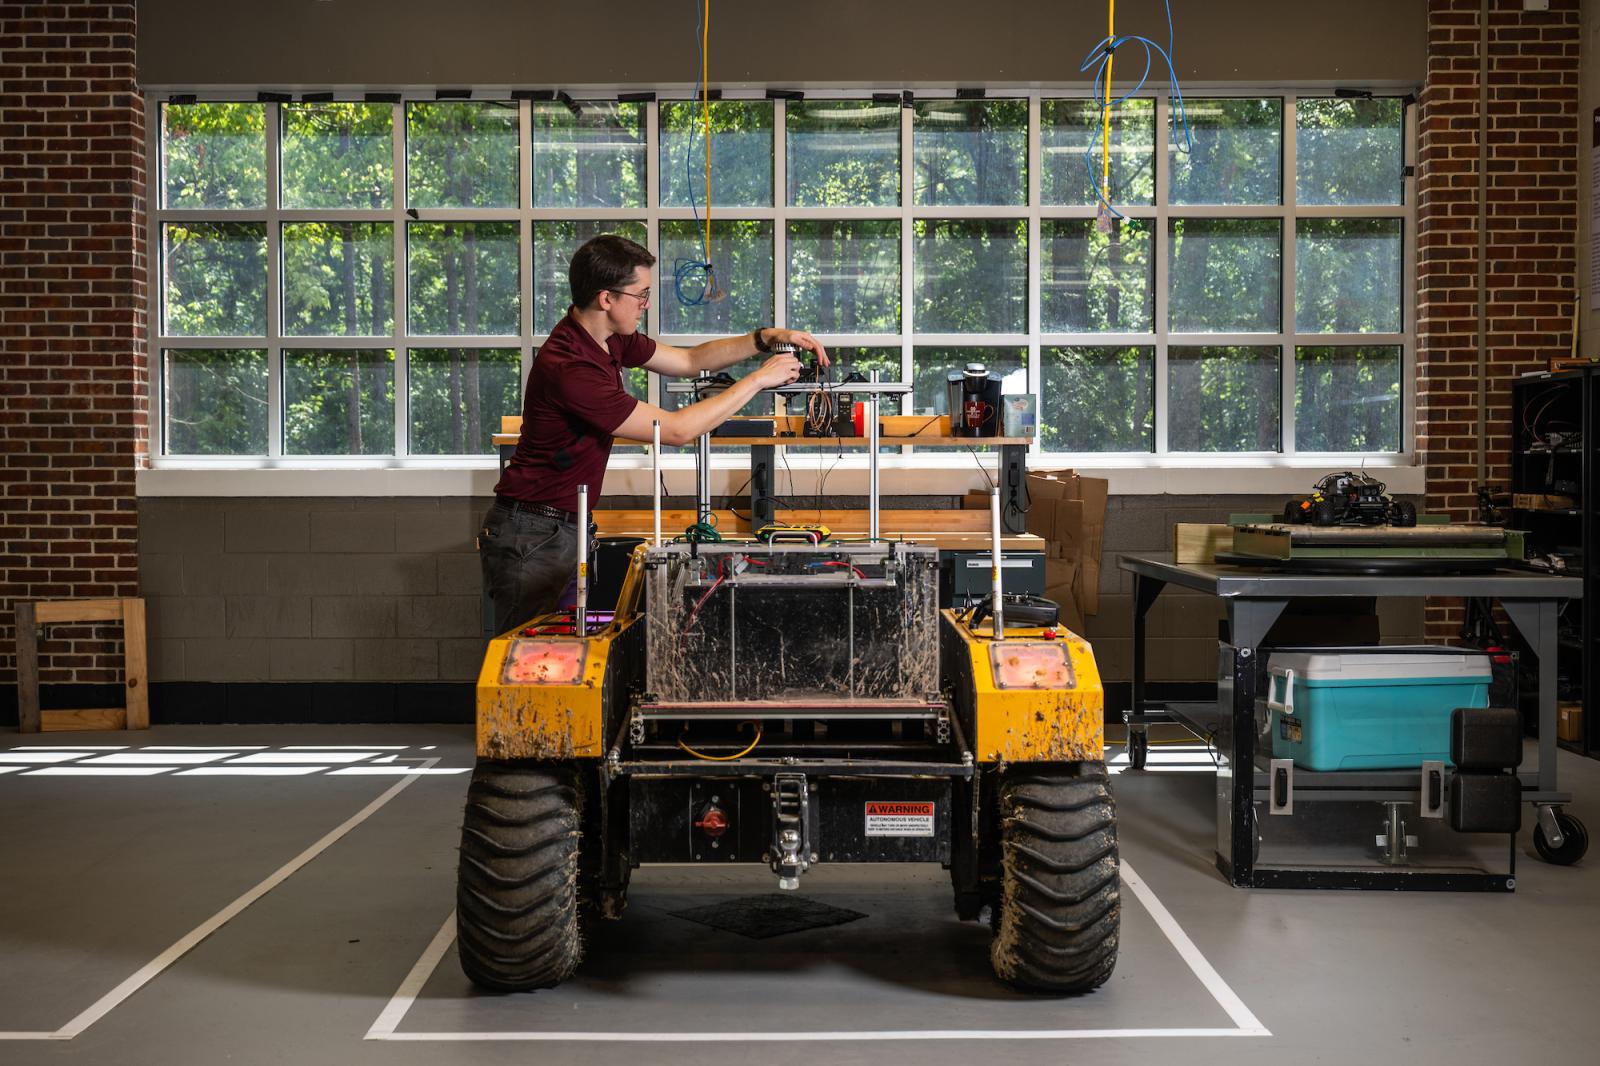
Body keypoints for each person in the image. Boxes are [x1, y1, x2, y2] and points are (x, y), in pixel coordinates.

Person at [481, 233, 829, 635]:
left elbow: (690, 359)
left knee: (553, 653)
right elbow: (677, 430)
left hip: (560, 526)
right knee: (524, 660)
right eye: (641, 296)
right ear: (606, 298)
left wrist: (764, 339)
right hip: (533, 532)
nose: (646, 306)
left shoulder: (607, 339)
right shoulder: (571, 366)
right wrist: (756, 382)